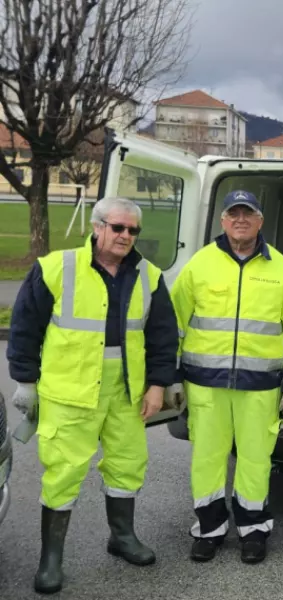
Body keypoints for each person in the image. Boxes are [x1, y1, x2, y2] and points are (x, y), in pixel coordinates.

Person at [7, 197, 178, 594]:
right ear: (97, 226)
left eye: (133, 230)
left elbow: (163, 335)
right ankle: (51, 560)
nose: (125, 236)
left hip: (127, 391)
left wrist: (158, 384)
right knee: (63, 471)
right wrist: (25, 381)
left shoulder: (149, 276)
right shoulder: (57, 268)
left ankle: (122, 537)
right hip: (69, 391)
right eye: (118, 227)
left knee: (127, 464)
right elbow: (24, 328)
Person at [169, 190, 283, 565]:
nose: (241, 220)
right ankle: (209, 530)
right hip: (205, 385)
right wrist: (170, 379)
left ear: (260, 221)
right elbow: (174, 327)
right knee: (207, 459)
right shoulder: (199, 265)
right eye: (234, 213)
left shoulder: (280, 270)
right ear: (223, 220)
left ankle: (253, 531)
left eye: (248, 213)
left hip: (260, 389)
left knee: (255, 461)